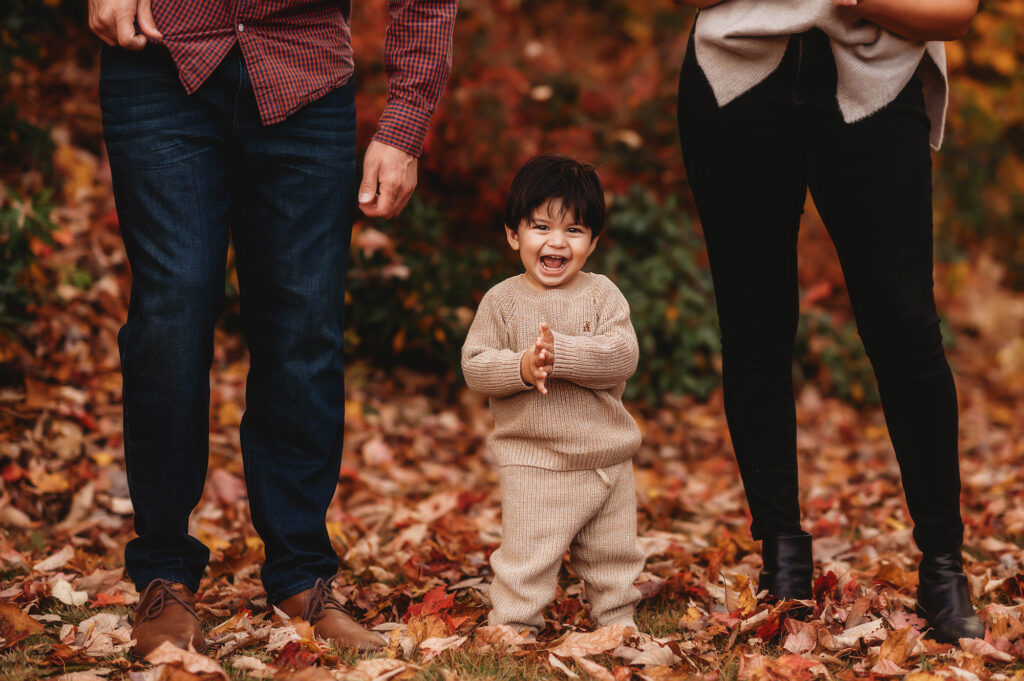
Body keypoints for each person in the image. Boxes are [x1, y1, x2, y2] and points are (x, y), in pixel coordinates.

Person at [89, 0, 457, 657]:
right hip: (160, 55)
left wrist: (405, 122)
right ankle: (163, 572)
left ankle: (301, 574)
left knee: (304, 326)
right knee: (172, 310)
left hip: (306, 71)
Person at [674, 0, 983, 642]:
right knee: (754, 325)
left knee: (905, 326)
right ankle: (782, 556)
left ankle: (944, 565)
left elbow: (954, 11)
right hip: (737, 74)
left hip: (880, 79)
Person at [461, 154, 645, 633]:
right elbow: (475, 366)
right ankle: (514, 625)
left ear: (594, 242)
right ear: (513, 234)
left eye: (575, 230)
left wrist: (561, 355)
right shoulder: (501, 301)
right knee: (528, 556)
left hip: (607, 459)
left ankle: (617, 621)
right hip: (534, 462)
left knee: (614, 557)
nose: (557, 241)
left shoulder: (604, 295)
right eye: (541, 226)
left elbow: (622, 355)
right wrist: (523, 366)